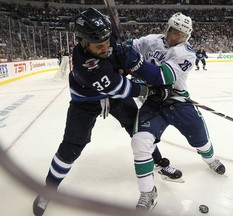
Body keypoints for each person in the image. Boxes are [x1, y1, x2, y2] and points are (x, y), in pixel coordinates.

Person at [32, 8, 181, 216]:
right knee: (71, 147)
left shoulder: (107, 36)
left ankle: (159, 162)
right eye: (99, 46)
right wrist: (149, 89)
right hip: (86, 102)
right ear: (83, 42)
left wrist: (132, 57)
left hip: (115, 98)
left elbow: (132, 63)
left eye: (106, 42)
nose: (105, 47)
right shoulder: (86, 64)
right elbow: (120, 87)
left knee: (140, 131)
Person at [122, 12, 226, 212]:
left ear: (187, 37)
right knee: (140, 142)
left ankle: (211, 160)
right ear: (168, 28)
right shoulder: (151, 41)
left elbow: (163, 76)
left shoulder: (185, 53)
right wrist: (122, 47)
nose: (177, 37)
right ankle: (147, 192)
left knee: (201, 140)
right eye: (175, 32)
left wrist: (134, 64)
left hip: (178, 102)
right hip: (153, 102)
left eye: (182, 34)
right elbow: (129, 46)